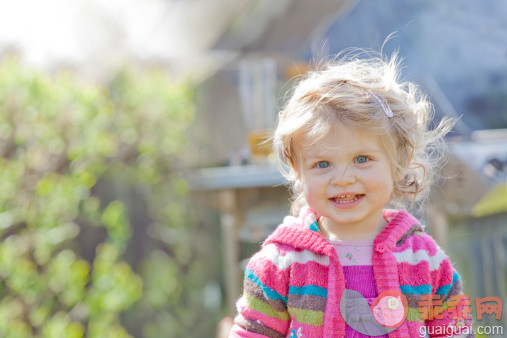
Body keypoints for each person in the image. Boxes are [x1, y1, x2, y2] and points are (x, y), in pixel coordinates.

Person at [229, 52, 474, 337]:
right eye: (322, 164)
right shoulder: (281, 263)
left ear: (398, 161)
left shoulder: (422, 258)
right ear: (298, 170)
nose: (343, 179)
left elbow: (455, 328)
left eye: (361, 159)